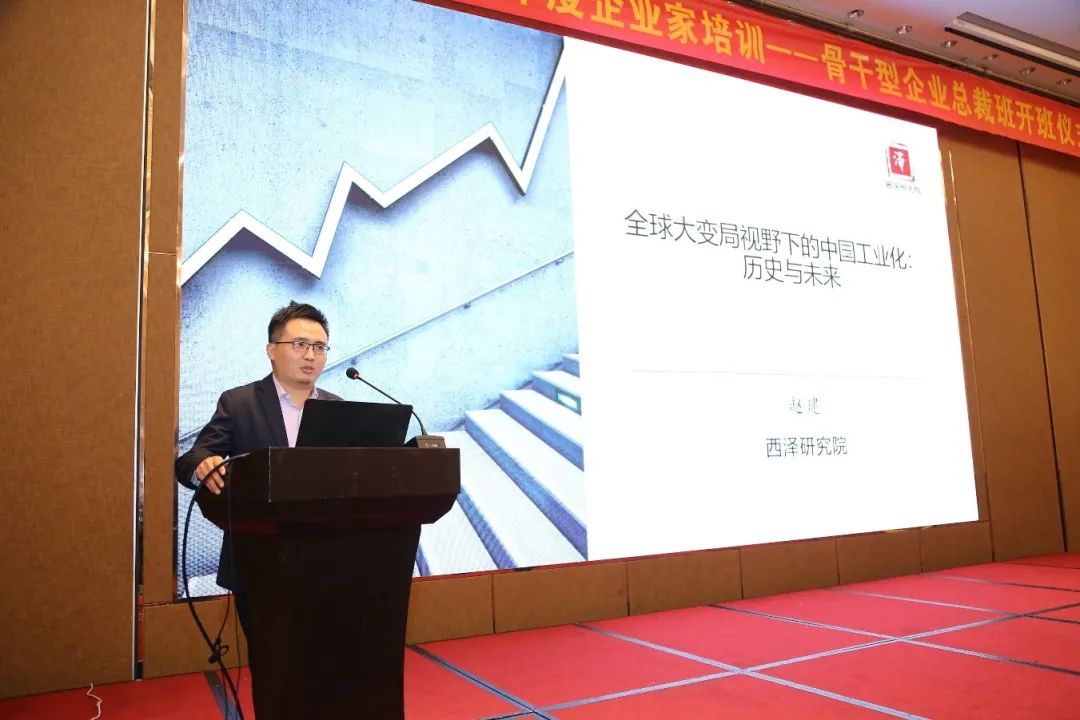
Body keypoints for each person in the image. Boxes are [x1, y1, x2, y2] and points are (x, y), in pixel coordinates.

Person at [175, 301, 341, 680]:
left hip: (325, 560)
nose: (311, 356)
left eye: (319, 347)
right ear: (272, 350)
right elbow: (191, 459)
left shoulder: (337, 407)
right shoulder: (239, 403)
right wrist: (202, 465)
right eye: (300, 344)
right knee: (272, 664)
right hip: (258, 559)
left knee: (322, 663)